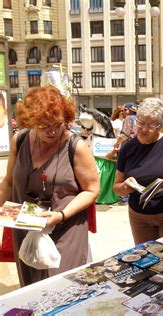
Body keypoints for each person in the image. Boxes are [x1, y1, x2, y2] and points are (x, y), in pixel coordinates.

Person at [0, 86, 100, 286]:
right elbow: (9, 181)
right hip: (26, 228)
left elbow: (91, 189)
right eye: (43, 126)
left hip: (64, 229)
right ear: (30, 121)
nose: (52, 131)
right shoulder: (19, 140)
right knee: (30, 287)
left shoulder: (76, 146)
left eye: (57, 124)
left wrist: (61, 215)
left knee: (61, 289)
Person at [113, 98, 163, 244]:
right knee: (146, 258)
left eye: (151, 125)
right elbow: (116, 187)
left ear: (161, 125)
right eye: (141, 122)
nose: (144, 129)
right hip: (140, 216)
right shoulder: (127, 148)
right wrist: (125, 187)